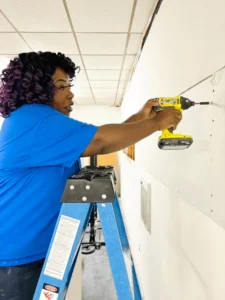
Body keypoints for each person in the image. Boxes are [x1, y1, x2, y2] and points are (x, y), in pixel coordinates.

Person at [0, 51, 181, 300]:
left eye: (69, 85)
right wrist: (156, 123)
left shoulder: (33, 123)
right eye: (61, 86)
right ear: (37, 88)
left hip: (25, 248)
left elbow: (97, 138)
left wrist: (140, 118)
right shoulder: (35, 118)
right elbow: (100, 141)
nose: (70, 93)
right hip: (16, 257)